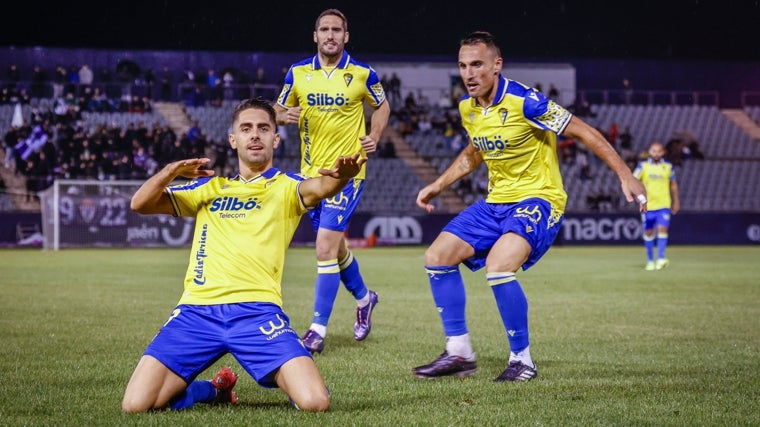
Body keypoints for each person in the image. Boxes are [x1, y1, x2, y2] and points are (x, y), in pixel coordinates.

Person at [411, 31, 647, 382]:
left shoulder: (526, 101)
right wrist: (437, 185)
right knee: (437, 256)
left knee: (499, 265)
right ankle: (459, 353)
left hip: (539, 198)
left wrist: (625, 174)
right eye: (463, 66)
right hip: (496, 202)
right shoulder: (468, 108)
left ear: (496, 65)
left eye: (477, 64)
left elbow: (582, 131)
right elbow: (474, 152)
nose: (469, 73)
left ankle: (522, 360)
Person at [121, 97, 367, 413]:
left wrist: (342, 176)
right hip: (197, 311)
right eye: (246, 128)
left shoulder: (287, 187)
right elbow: (140, 204)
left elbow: (321, 187)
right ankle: (213, 391)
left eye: (264, 128)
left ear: (275, 139)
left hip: (258, 312)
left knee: (315, 401)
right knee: (136, 404)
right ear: (233, 140)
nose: (255, 135)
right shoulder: (210, 188)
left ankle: (293, 379)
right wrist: (170, 171)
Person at [274, 8, 391, 354]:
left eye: (336, 30)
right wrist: (283, 115)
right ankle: (364, 298)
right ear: (315, 36)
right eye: (324, 29)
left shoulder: (363, 73)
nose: (330, 35)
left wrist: (375, 135)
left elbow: (383, 106)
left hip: (347, 173)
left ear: (346, 36)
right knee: (336, 249)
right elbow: (277, 110)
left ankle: (316, 330)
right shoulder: (297, 73)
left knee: (324, 246)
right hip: (311, 175)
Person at [633, 141, 679, 271]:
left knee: (663, 230)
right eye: (654, 151)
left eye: (659, 151)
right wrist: (639, 197)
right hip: (647, 206)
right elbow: (633, 180)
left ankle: (660, 258)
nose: (656, 153)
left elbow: (673, 185)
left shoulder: (668, 167)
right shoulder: (642, 166)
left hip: (664, 204)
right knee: (648, 232)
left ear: (663, 152)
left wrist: (676, 201)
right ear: (649, 152)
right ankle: (650, 261)